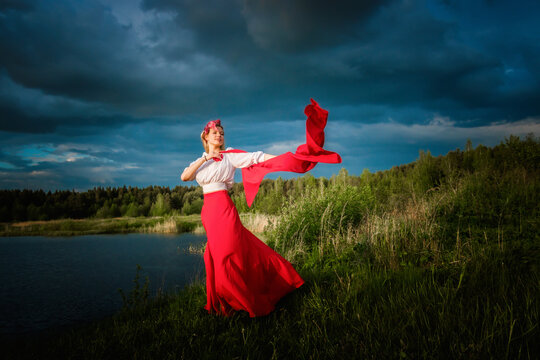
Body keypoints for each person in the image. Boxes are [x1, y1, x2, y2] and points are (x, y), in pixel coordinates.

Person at [181, 99, 341, 317]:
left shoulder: (230, 156)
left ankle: (241, 301)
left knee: (229, 253)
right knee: (217, 255)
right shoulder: (201, 162)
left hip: (224, 208)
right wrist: (205, 158)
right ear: (206, 137)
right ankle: (222, 302)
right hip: (208, 212)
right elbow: (185, 176)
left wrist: (286, 158)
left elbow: (256, 156)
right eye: (215, 132)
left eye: (221, 132)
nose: (219, 135)